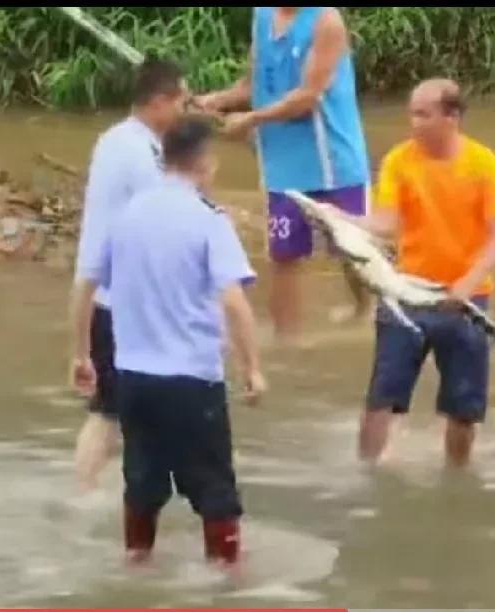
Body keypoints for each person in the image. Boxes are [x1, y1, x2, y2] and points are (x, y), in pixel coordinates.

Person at [70, 115, 266, 566]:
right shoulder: (208, 220)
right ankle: (226, 580)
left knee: (142, 484)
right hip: (193, 380)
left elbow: (86, 286)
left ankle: (136, 566)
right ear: (206, 163)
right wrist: (252, 368)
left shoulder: (127, 216)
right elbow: (233, 302)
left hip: (134, 378)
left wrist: (81, 354)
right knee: (215, 491)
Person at [324, 79, 495, 468]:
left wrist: (466, 285)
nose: (414, 123)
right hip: (405, 292)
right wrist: (338, 220)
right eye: (412, 113)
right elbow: (384, 222)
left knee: (463, 409)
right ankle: (367, 475)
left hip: (467, 298)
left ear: (452, 117)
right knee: (381, 398)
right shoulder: (399, 160)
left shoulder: (486, 165)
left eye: (424, 115)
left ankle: (457, 482)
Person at [194, 6, 372, 342]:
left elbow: (308, 97)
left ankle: (365, 311)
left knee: (353, 252)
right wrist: (216, 100)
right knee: (284, 255)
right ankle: (286, 340)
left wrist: (250, 120)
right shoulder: (262, 17)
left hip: (332, 161)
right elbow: (254, 85)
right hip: (282, 164)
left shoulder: (326, 21)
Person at [71, 58, 189, 492]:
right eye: (181, 101)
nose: (184, 110)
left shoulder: (119, 140)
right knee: (114, 414)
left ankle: (93, 494)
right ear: (159, 102)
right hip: (124, 305)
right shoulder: (139, 153)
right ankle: (95, 496)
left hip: (109, 298)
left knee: (113, 412)